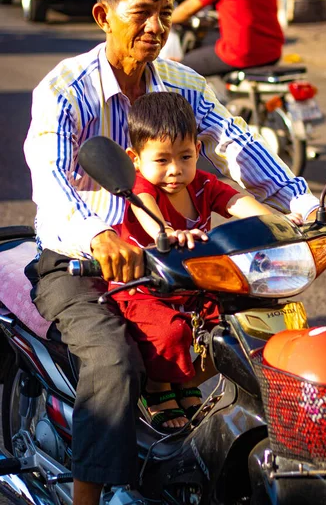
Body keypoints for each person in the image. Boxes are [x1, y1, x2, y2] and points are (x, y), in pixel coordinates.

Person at [23, 0, 326, 505]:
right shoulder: (63, 92)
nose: (156, 27)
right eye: (141, 13)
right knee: (113, 360)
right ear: (104, 15)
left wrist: (303, 207)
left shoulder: (183, 83)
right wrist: (99, 237)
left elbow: (236, 146)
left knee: (249, 334)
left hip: (171, 256)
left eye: (166, 14)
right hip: (79, 260)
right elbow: (52, 183)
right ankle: (88, 496)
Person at [109, 91, 303, 433]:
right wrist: (166, 231)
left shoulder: (202, 184)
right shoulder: (141, 188)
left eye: (185, 157)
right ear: (135, 159)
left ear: (198, 151)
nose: (175, 170)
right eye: (162, 160)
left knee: (235, 325)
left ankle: (184, 384)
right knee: (171, 333)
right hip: (142, 290)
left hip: (191, 286)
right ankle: (155, 389)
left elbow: (239, 202)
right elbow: (148, 213)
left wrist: (285, 224)